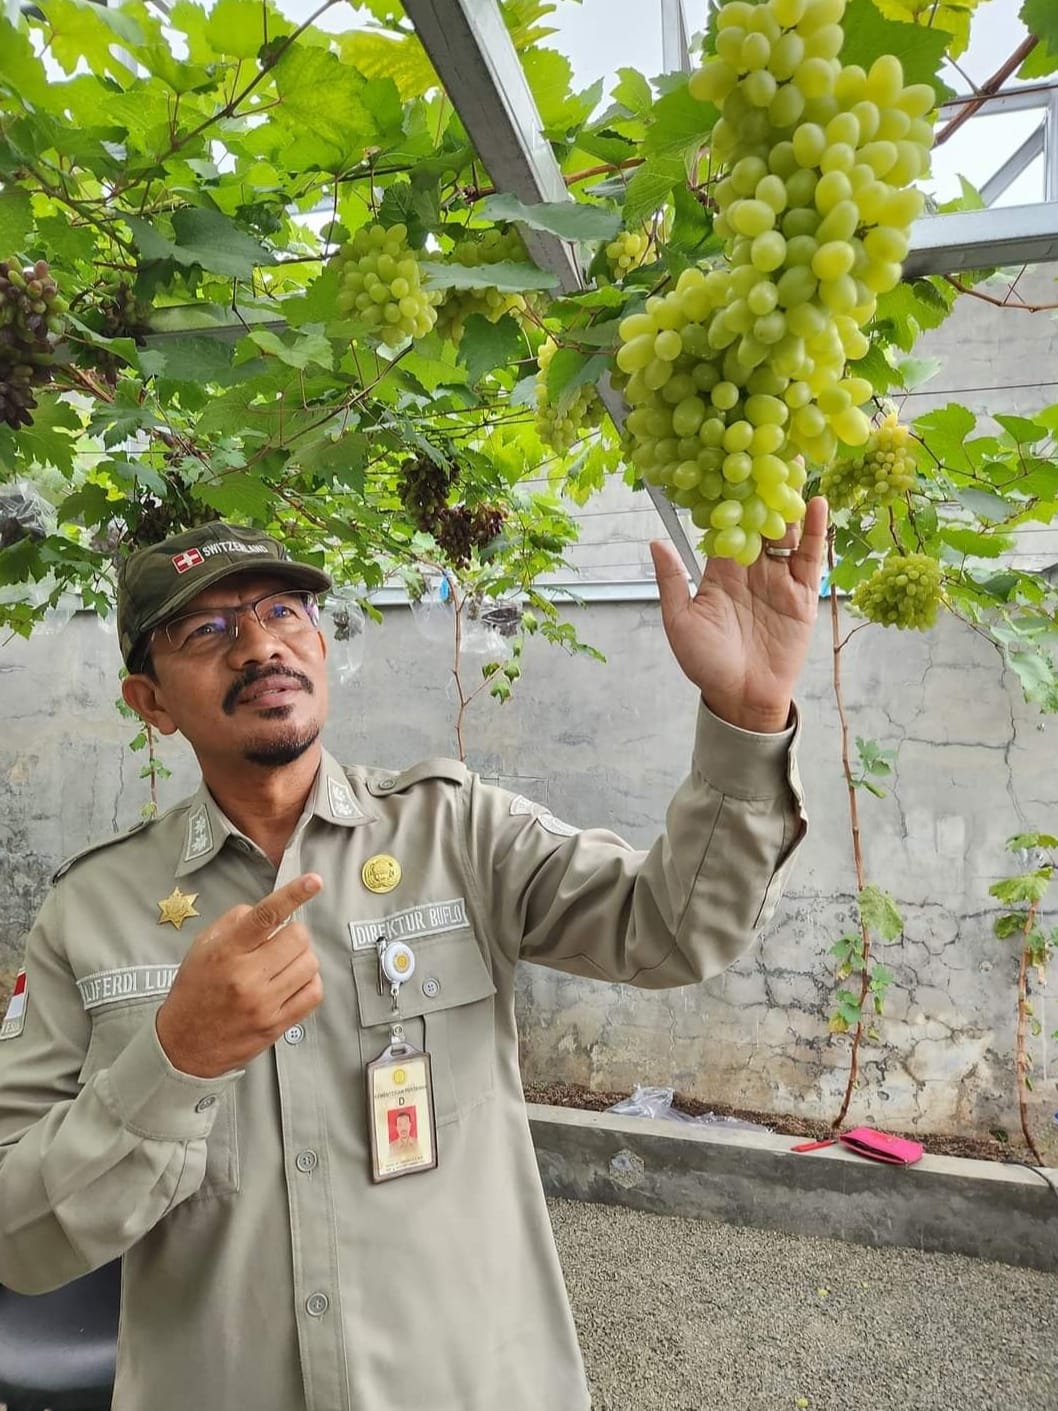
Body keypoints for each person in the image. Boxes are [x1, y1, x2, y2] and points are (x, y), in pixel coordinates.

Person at [0, 505, 826, 1411]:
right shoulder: (91, 911)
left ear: (318, 643)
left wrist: (748, 718)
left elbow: (673, 929)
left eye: (283, 612)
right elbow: (21, 1237)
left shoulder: (457, 831)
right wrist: (176, 1059)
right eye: (208, 629)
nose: (258, 647)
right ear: (149, 702)